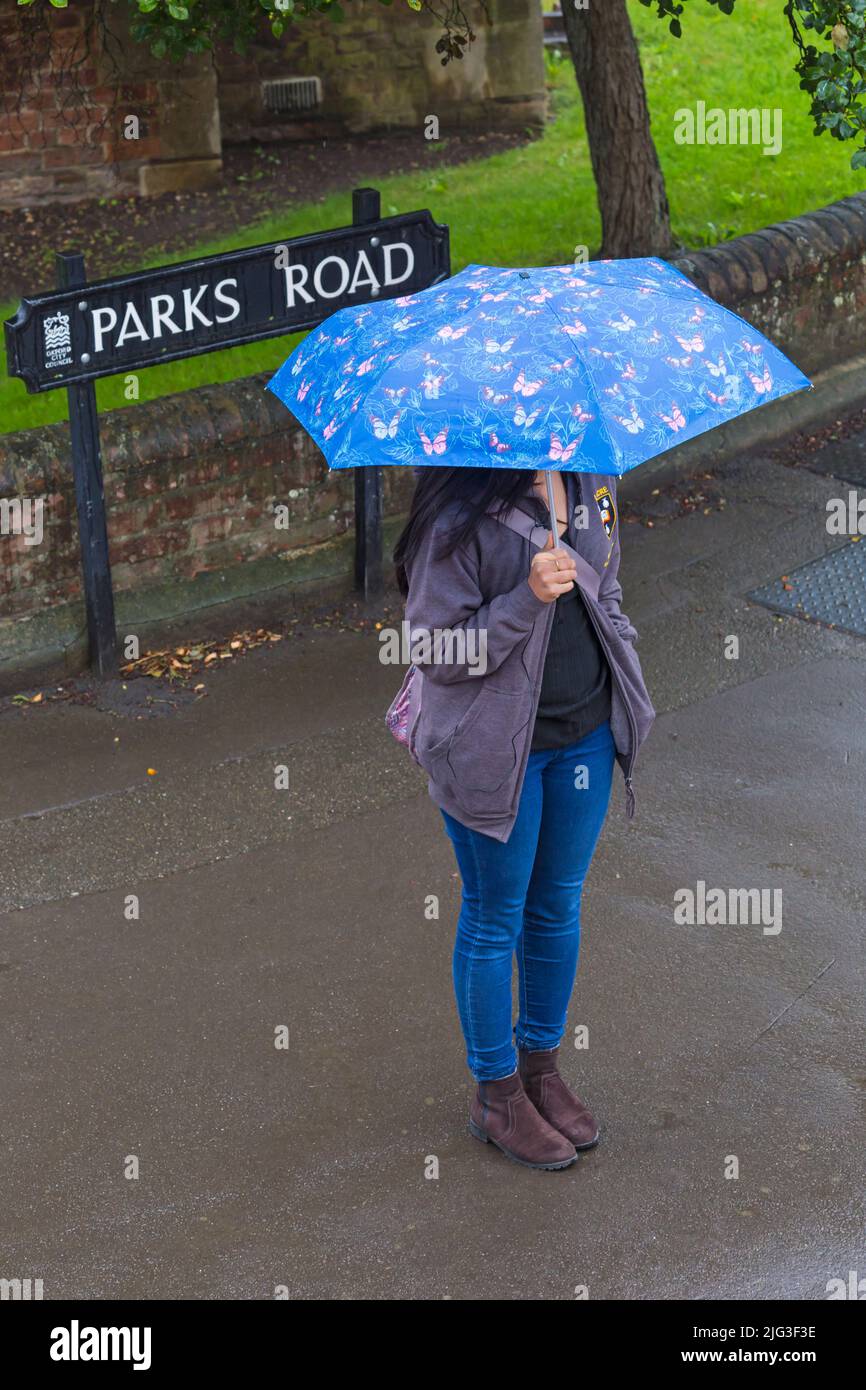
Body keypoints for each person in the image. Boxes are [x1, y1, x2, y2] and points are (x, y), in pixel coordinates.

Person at [393, 465, 655, 1170]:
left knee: (556, 907)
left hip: (586, 733)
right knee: (494, 916)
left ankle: (541, 1068)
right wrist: (526, 598)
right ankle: (497, 1092)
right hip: (492, 751)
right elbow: (433, 650)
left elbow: (610, 586)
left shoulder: (592, 482)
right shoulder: (458, 513)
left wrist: (621, 650)